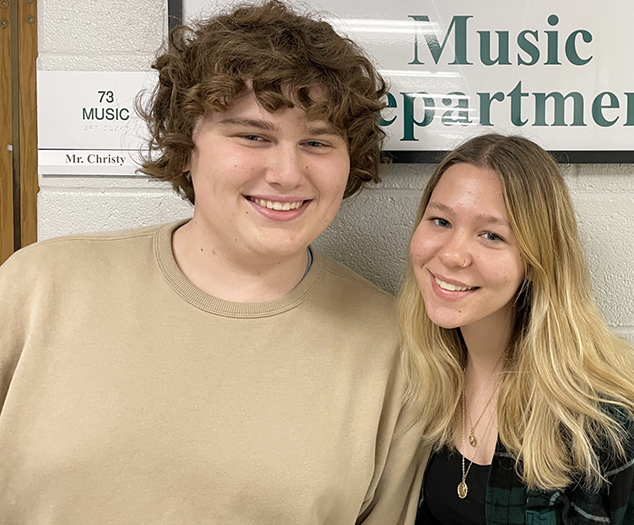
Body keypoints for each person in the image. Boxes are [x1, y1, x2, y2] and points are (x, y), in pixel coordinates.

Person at [0, 2, 426, 523]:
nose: (288, 173)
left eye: (316, 141)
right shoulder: (38, 288)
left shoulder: (395, 348)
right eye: (253, 135)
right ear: (186, 143)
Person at [399, 134, 634, 524]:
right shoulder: (417, 384)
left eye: (491, 235)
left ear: (538, 259)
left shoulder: (608, 424)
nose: (452, 254)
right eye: (440, 221)